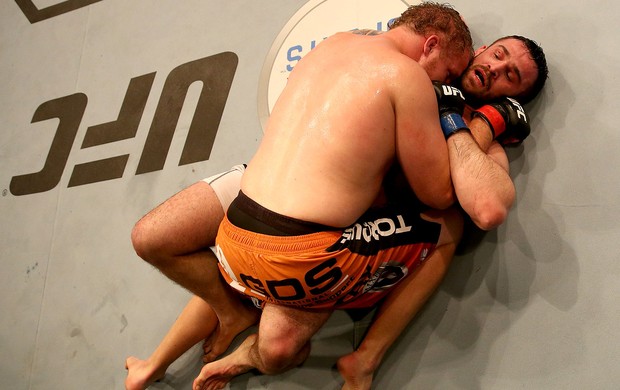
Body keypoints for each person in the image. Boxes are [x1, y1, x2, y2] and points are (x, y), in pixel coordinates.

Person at [125, 9, 547, 390]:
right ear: (478, 48)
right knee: (170, 238)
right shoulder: (406, 71)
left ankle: (202, 346)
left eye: (511, 76)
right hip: (293, 224)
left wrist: (475, 124)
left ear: (512, 98)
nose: (495, 69)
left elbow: (486, 203)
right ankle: (356, 356)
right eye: (499, 55)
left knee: (275, 346)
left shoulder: (352, 47)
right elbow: (437, 191)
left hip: (271, 230)